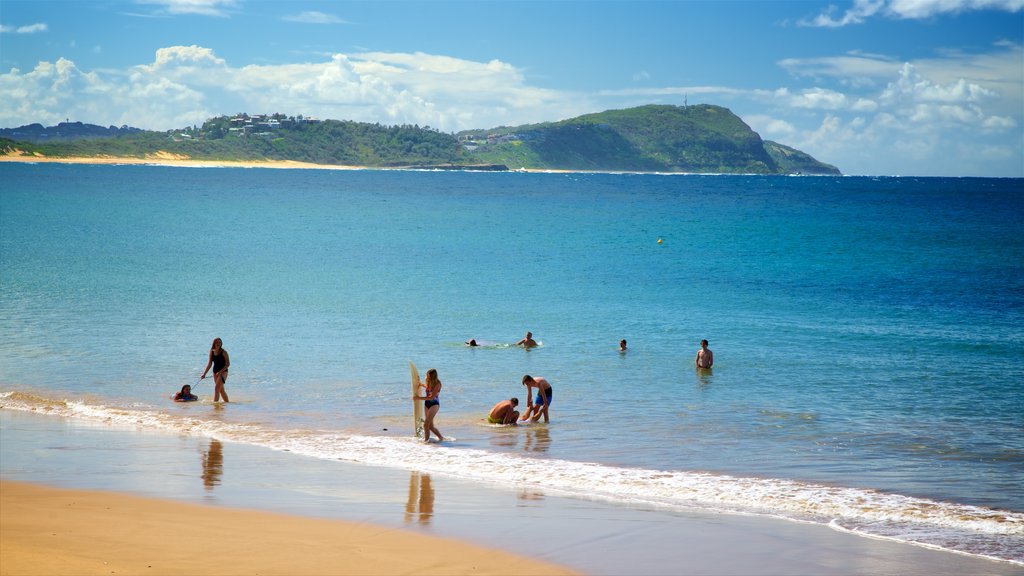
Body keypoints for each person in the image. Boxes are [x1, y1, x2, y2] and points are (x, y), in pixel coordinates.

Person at [414, 368, 444, 443]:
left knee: (425, 425)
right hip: (427, 404)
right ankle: (441, 438)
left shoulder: (438, 384)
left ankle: (426, 441)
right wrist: (421, 384)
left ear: (432, 376)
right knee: (430, 426)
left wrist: (418, 398)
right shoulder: (429, 382)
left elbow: (431, 397)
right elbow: (428, 388)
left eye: (428, 375)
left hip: (434, 405)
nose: (426, 377)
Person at [201, 337, 230, 402]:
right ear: (214, 343)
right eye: (217, 342)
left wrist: (220, 371)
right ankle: (227, 403)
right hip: (215, 372)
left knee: (216, 388)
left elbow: (228, 364)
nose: (218, 344)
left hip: (223, 372)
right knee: (221, 390)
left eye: (220, 342)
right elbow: (210, 364)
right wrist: (204, 374)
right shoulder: (212, 352)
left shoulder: (224, 352)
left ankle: (215, 405)